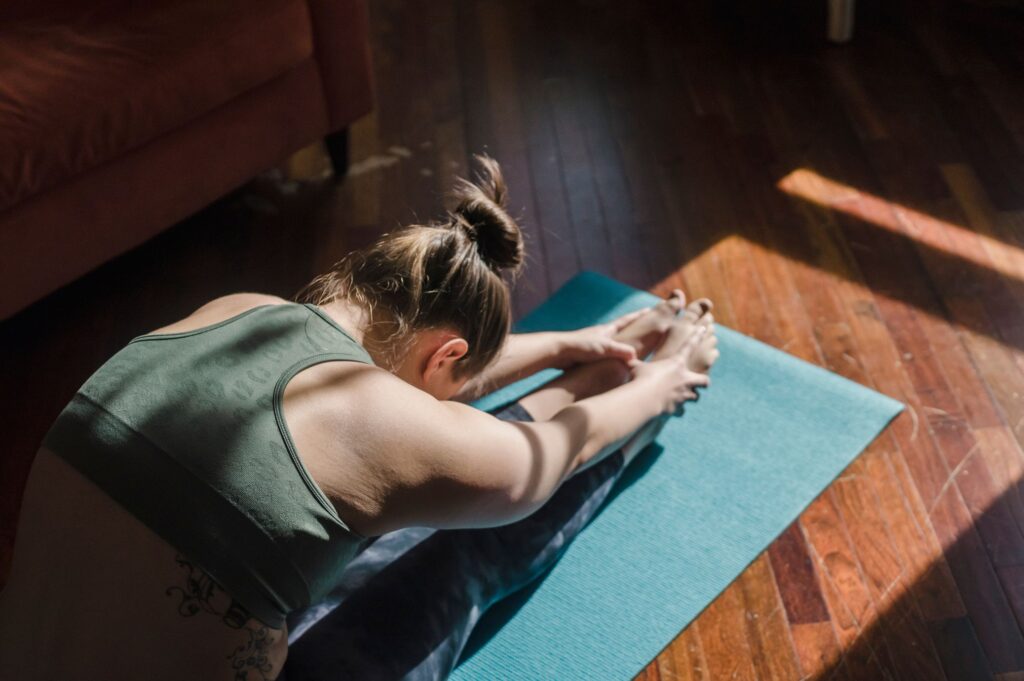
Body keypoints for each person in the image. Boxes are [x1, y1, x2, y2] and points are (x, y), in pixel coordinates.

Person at [0, 154, 718, 681]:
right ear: (448, 355)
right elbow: (545, 458)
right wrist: (664, 382)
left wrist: (561, 346)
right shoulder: (375, 420)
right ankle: (617, 399)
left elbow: (408, 388)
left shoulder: (243, 312)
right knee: (456, 550)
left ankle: (591, 372)